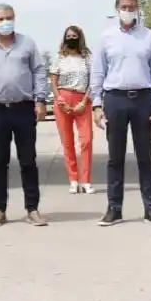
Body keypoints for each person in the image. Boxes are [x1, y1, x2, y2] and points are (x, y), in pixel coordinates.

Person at [90, 0, 151, 227]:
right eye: (124, 7)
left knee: (145, 157)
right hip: (115, 99)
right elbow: (98, 72)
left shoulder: (149, 37)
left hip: (143, 100)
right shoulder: (106, 38)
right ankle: (114, 209)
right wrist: (96, 105)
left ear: (137, 9)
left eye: (131, 7)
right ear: (117, 9)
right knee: (115, 158)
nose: (127, 11)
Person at [0, 3, 48, 227]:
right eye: (1, 18)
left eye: (9, 18)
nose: (5, 22)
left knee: (28, 161)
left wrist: (40, 100)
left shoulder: (27, 44)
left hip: (24, 108)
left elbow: (39, 71)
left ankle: (32, 209)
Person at [49, 25, 93, 194]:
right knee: (67, 142)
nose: (71, 38)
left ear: (80, 38)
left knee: (86, 140)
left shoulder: (87, 58)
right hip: (63, 99)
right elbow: (53, 82)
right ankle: (73, 180)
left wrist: (84, 101)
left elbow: (93, 81)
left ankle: (86, 180)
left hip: (83, 100)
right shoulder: (59, 58)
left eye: (74, 36)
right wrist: (60, 100)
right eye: (68, 36)